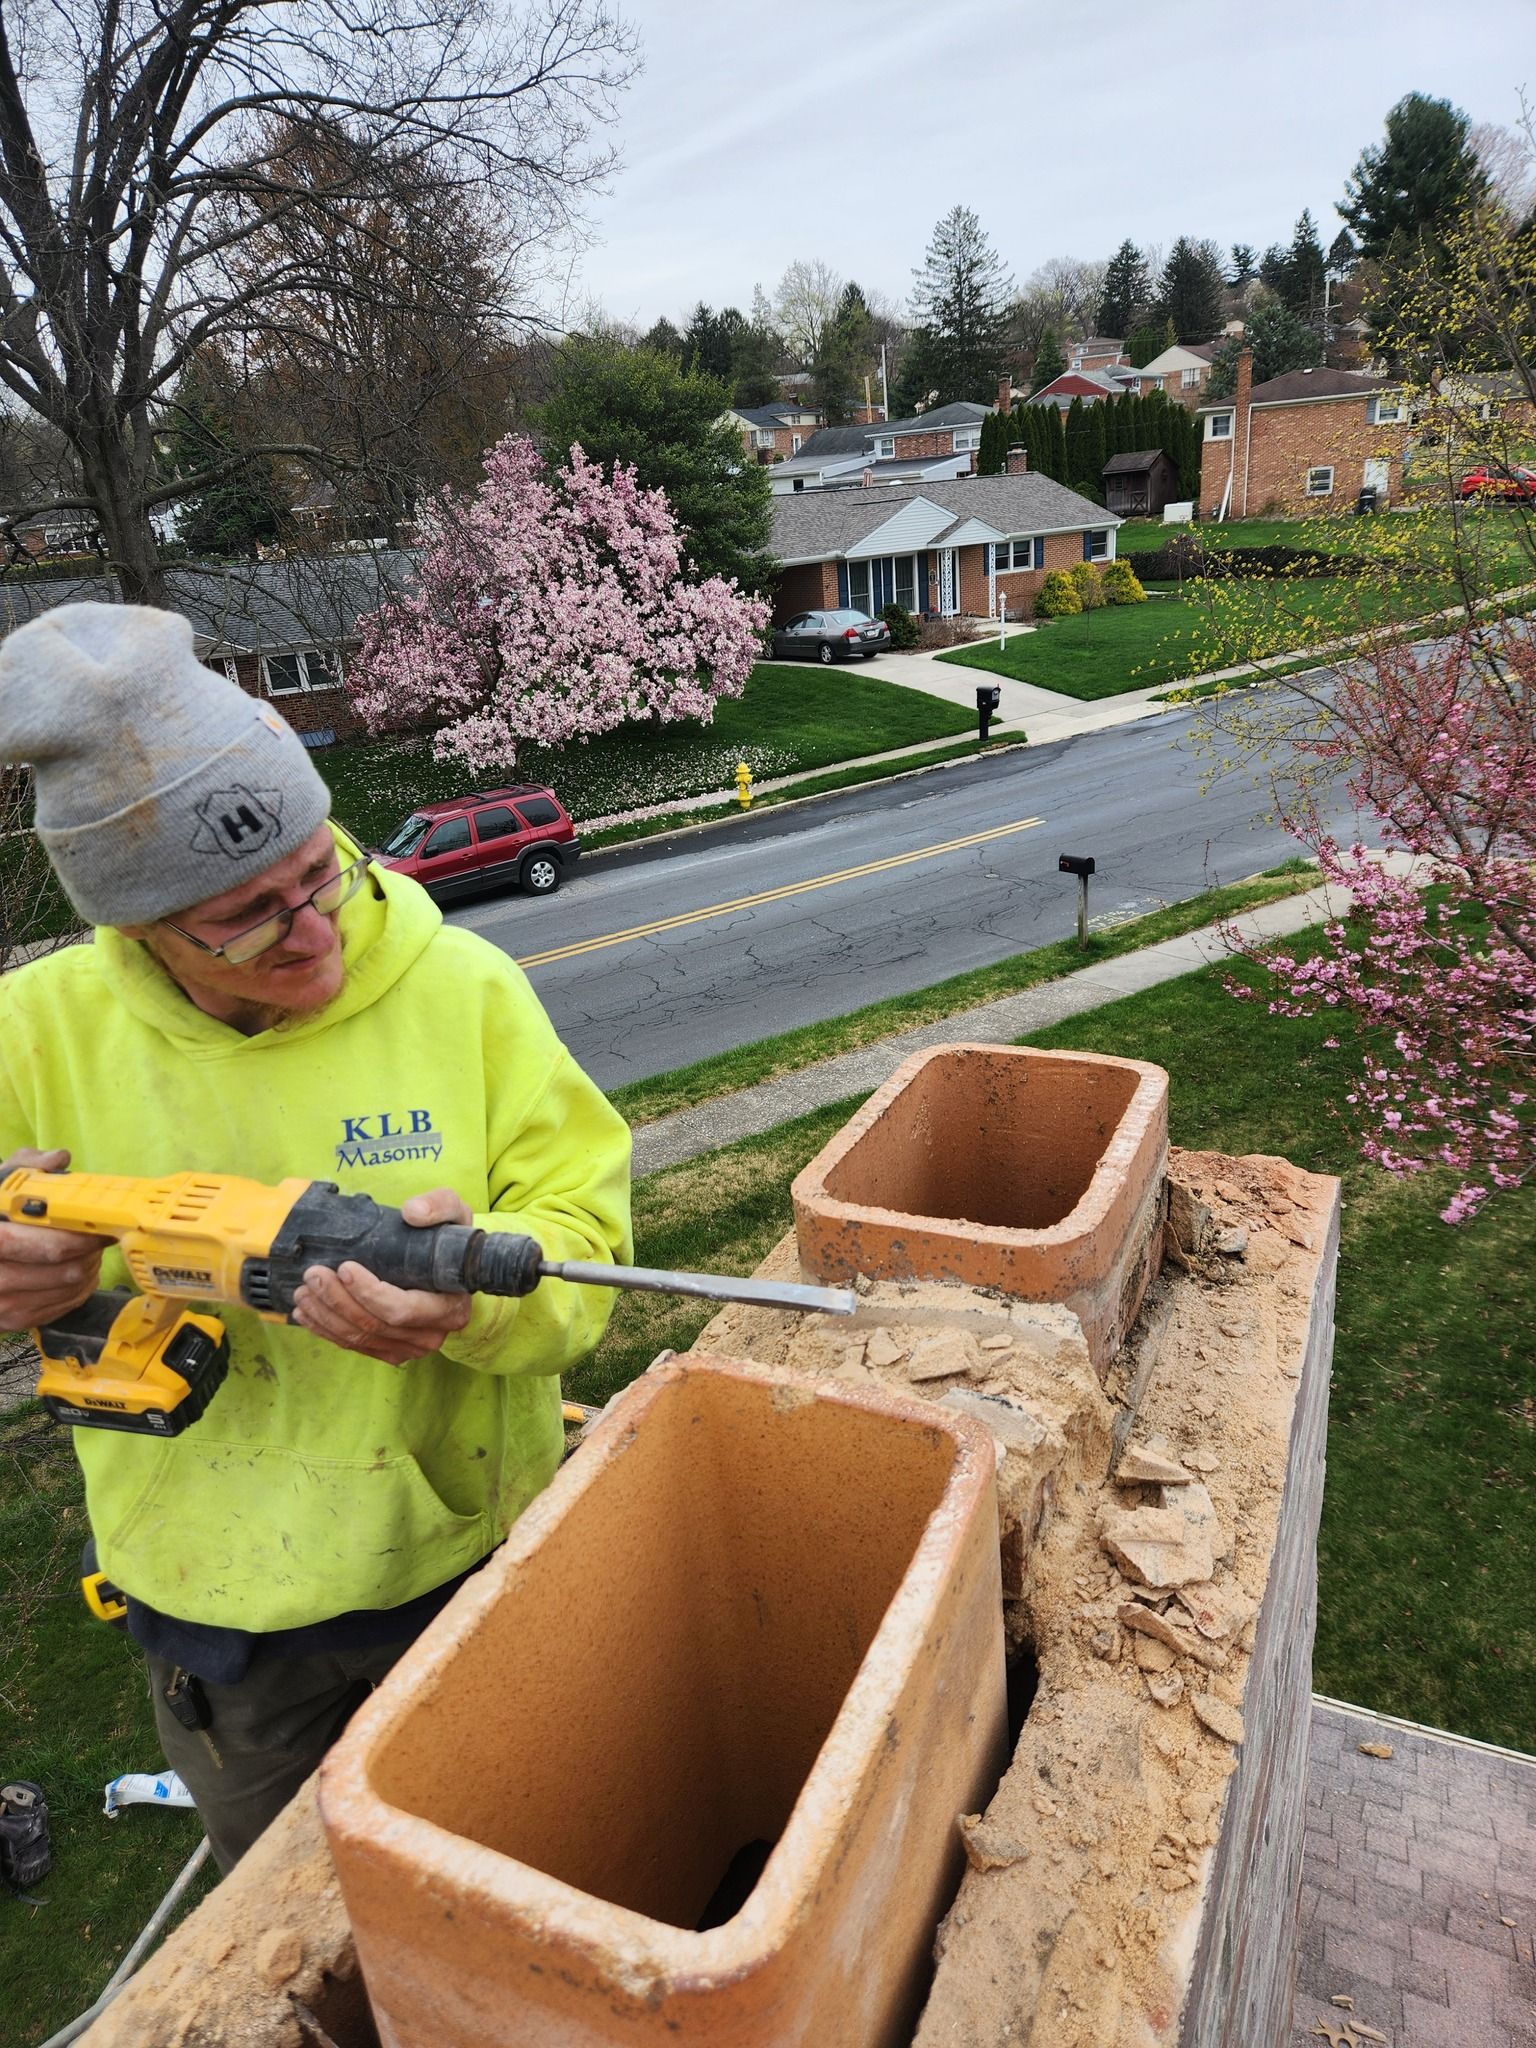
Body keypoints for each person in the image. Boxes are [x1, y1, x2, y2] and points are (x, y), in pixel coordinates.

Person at [0, 603, 632, 1872]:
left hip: (465, 1559)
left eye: (319, 869)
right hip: (224, 1620)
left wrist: (477, 1304)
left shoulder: (466, 991)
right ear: (135, 926)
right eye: (244, 916)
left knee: (533, 1866)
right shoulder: (32, 1034)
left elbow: (585, 1246)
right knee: (307, 1930)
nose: (316, 928)